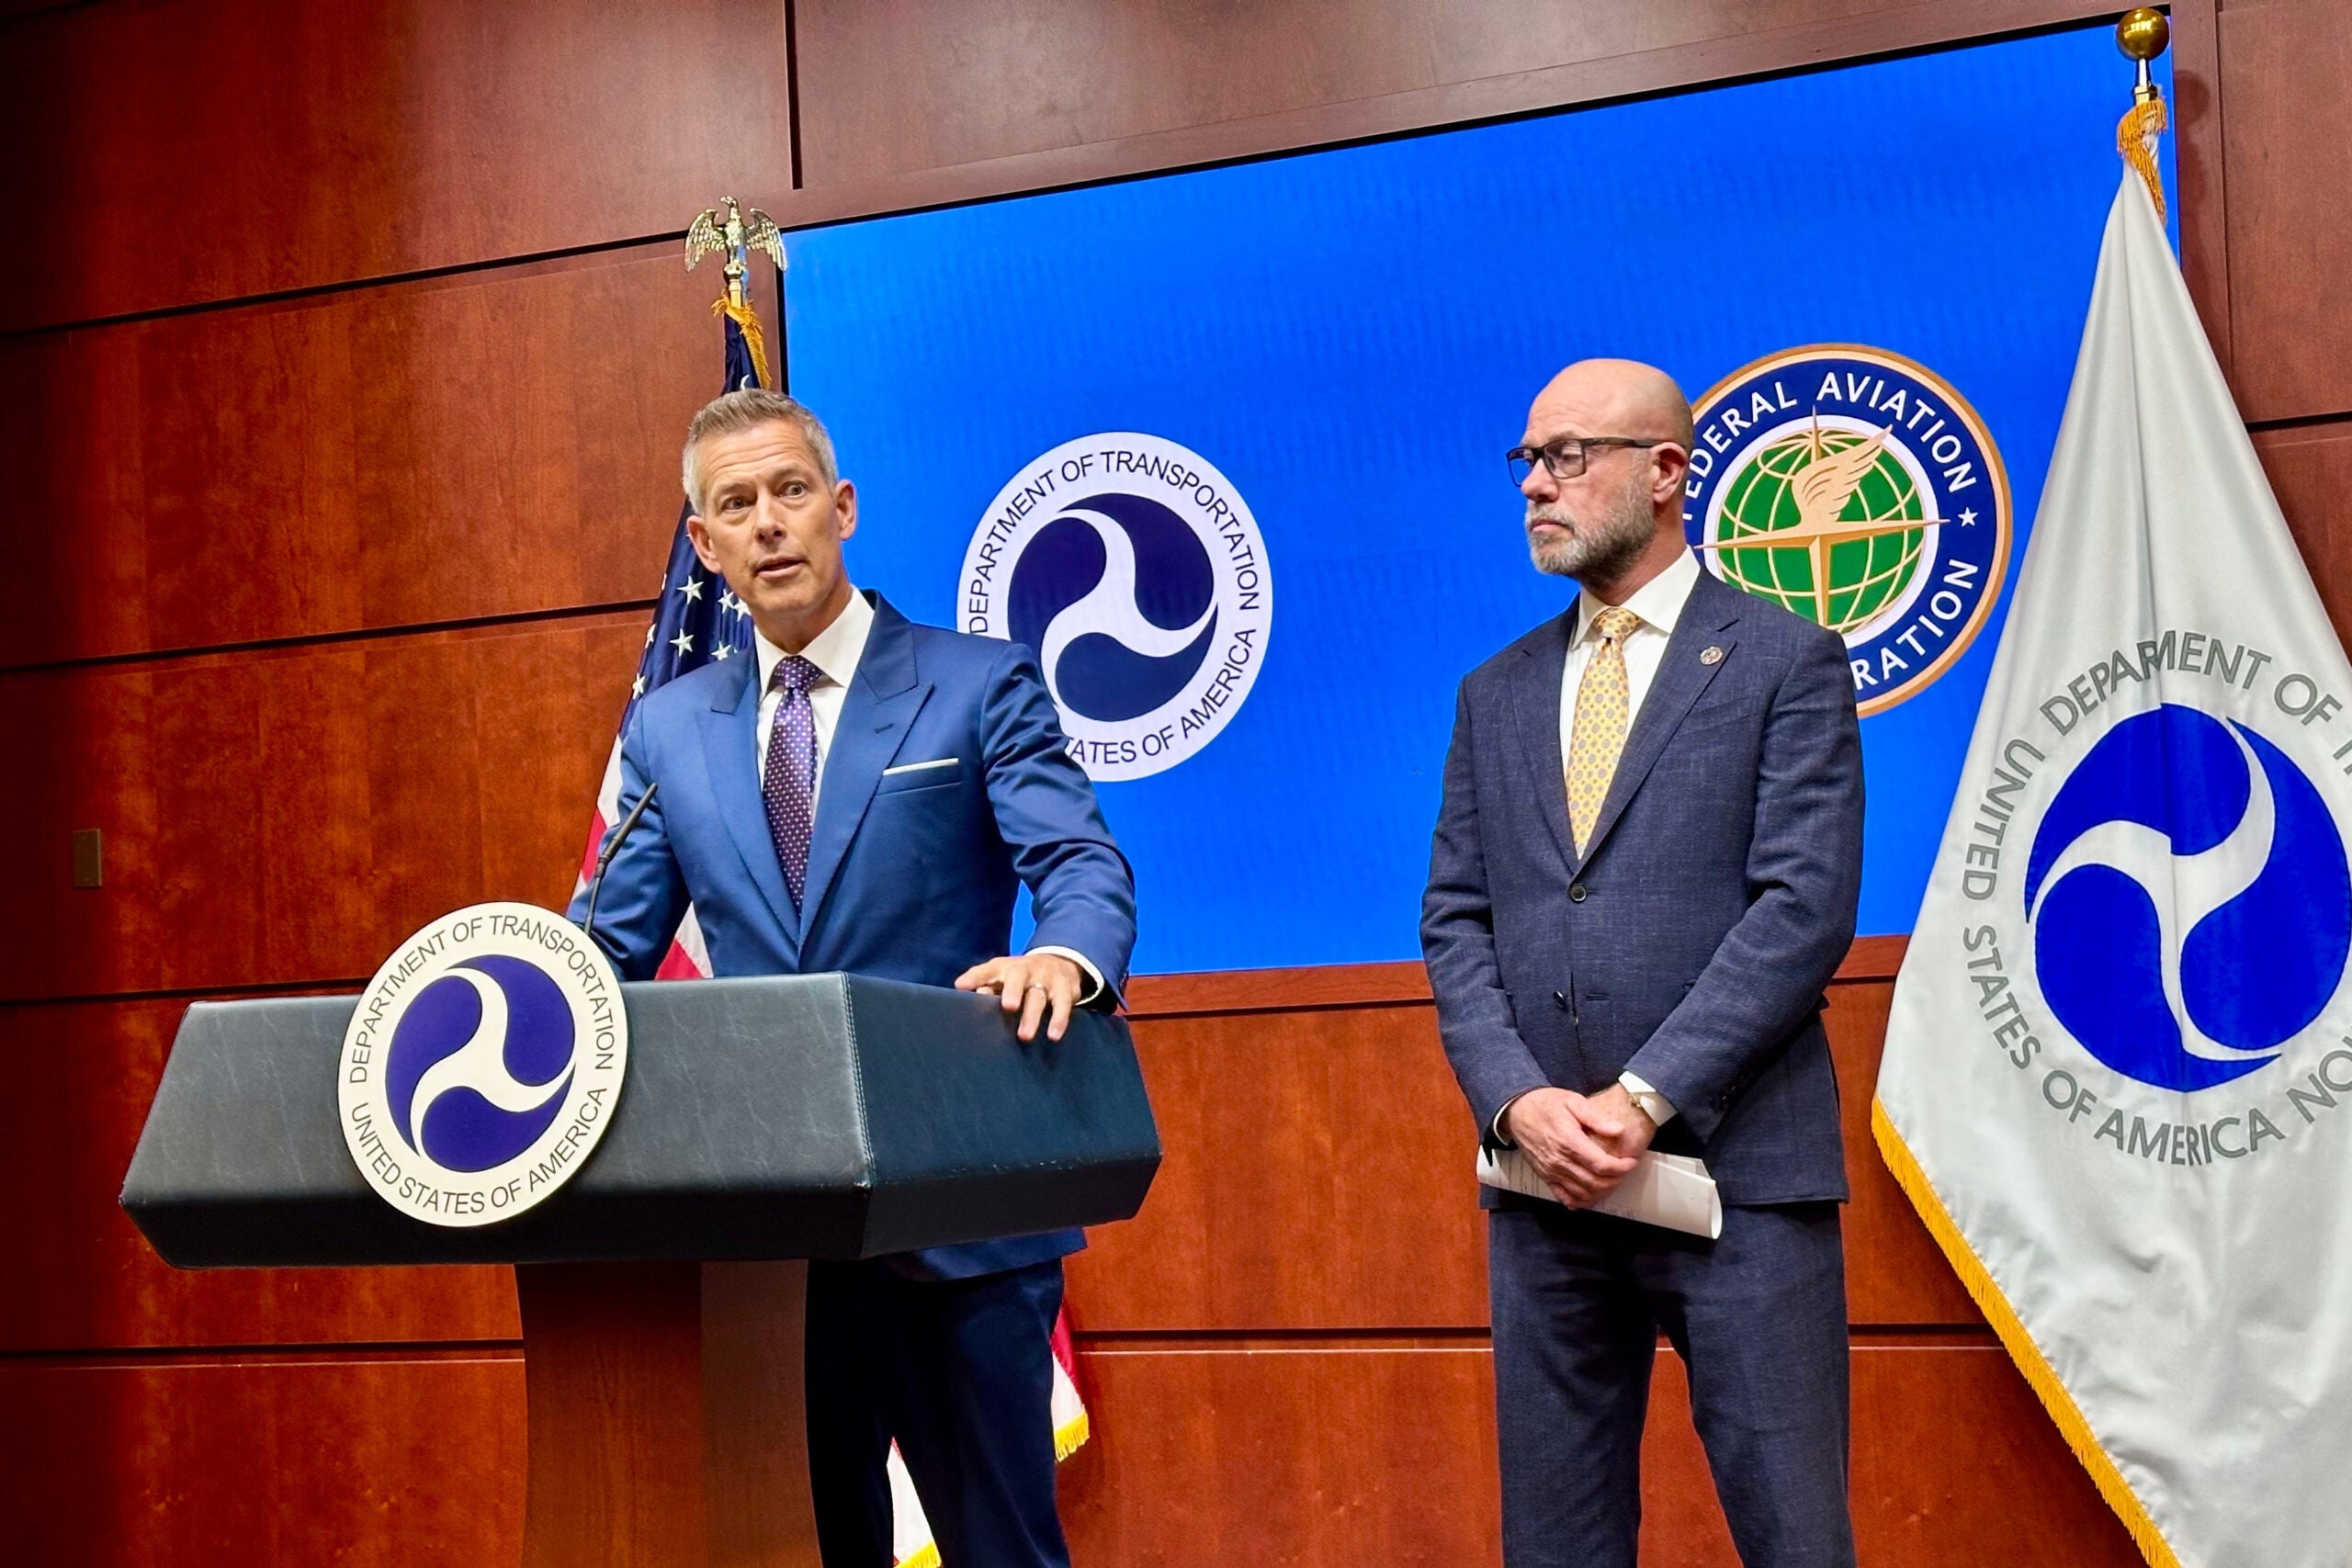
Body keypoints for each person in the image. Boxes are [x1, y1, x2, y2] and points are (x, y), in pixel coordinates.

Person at [574, 387, 1135, 1568]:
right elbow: (605, 951)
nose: (768, 522)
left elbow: (1079, 863)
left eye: (790, 491)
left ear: (842, 507)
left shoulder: (977, 682)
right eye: (736, 505)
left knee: (999, 1551)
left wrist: (1064, 955)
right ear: (704, 543)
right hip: (771, 1244)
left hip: (957, 1213)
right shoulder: (668, 729)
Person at [1419, 359, 1864, 1567]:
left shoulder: (1784, 659)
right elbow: (1456, 918)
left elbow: (1802, 909)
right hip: (1546, 1189)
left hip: (1740, 1179)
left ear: (1666, 471)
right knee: (1554, 1544)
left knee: (1796, 1538)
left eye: (1568, 455)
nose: (1536, 485)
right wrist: (1517, 1101)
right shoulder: (1493, 692)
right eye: (1528, 460)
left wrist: (1640, 1097)